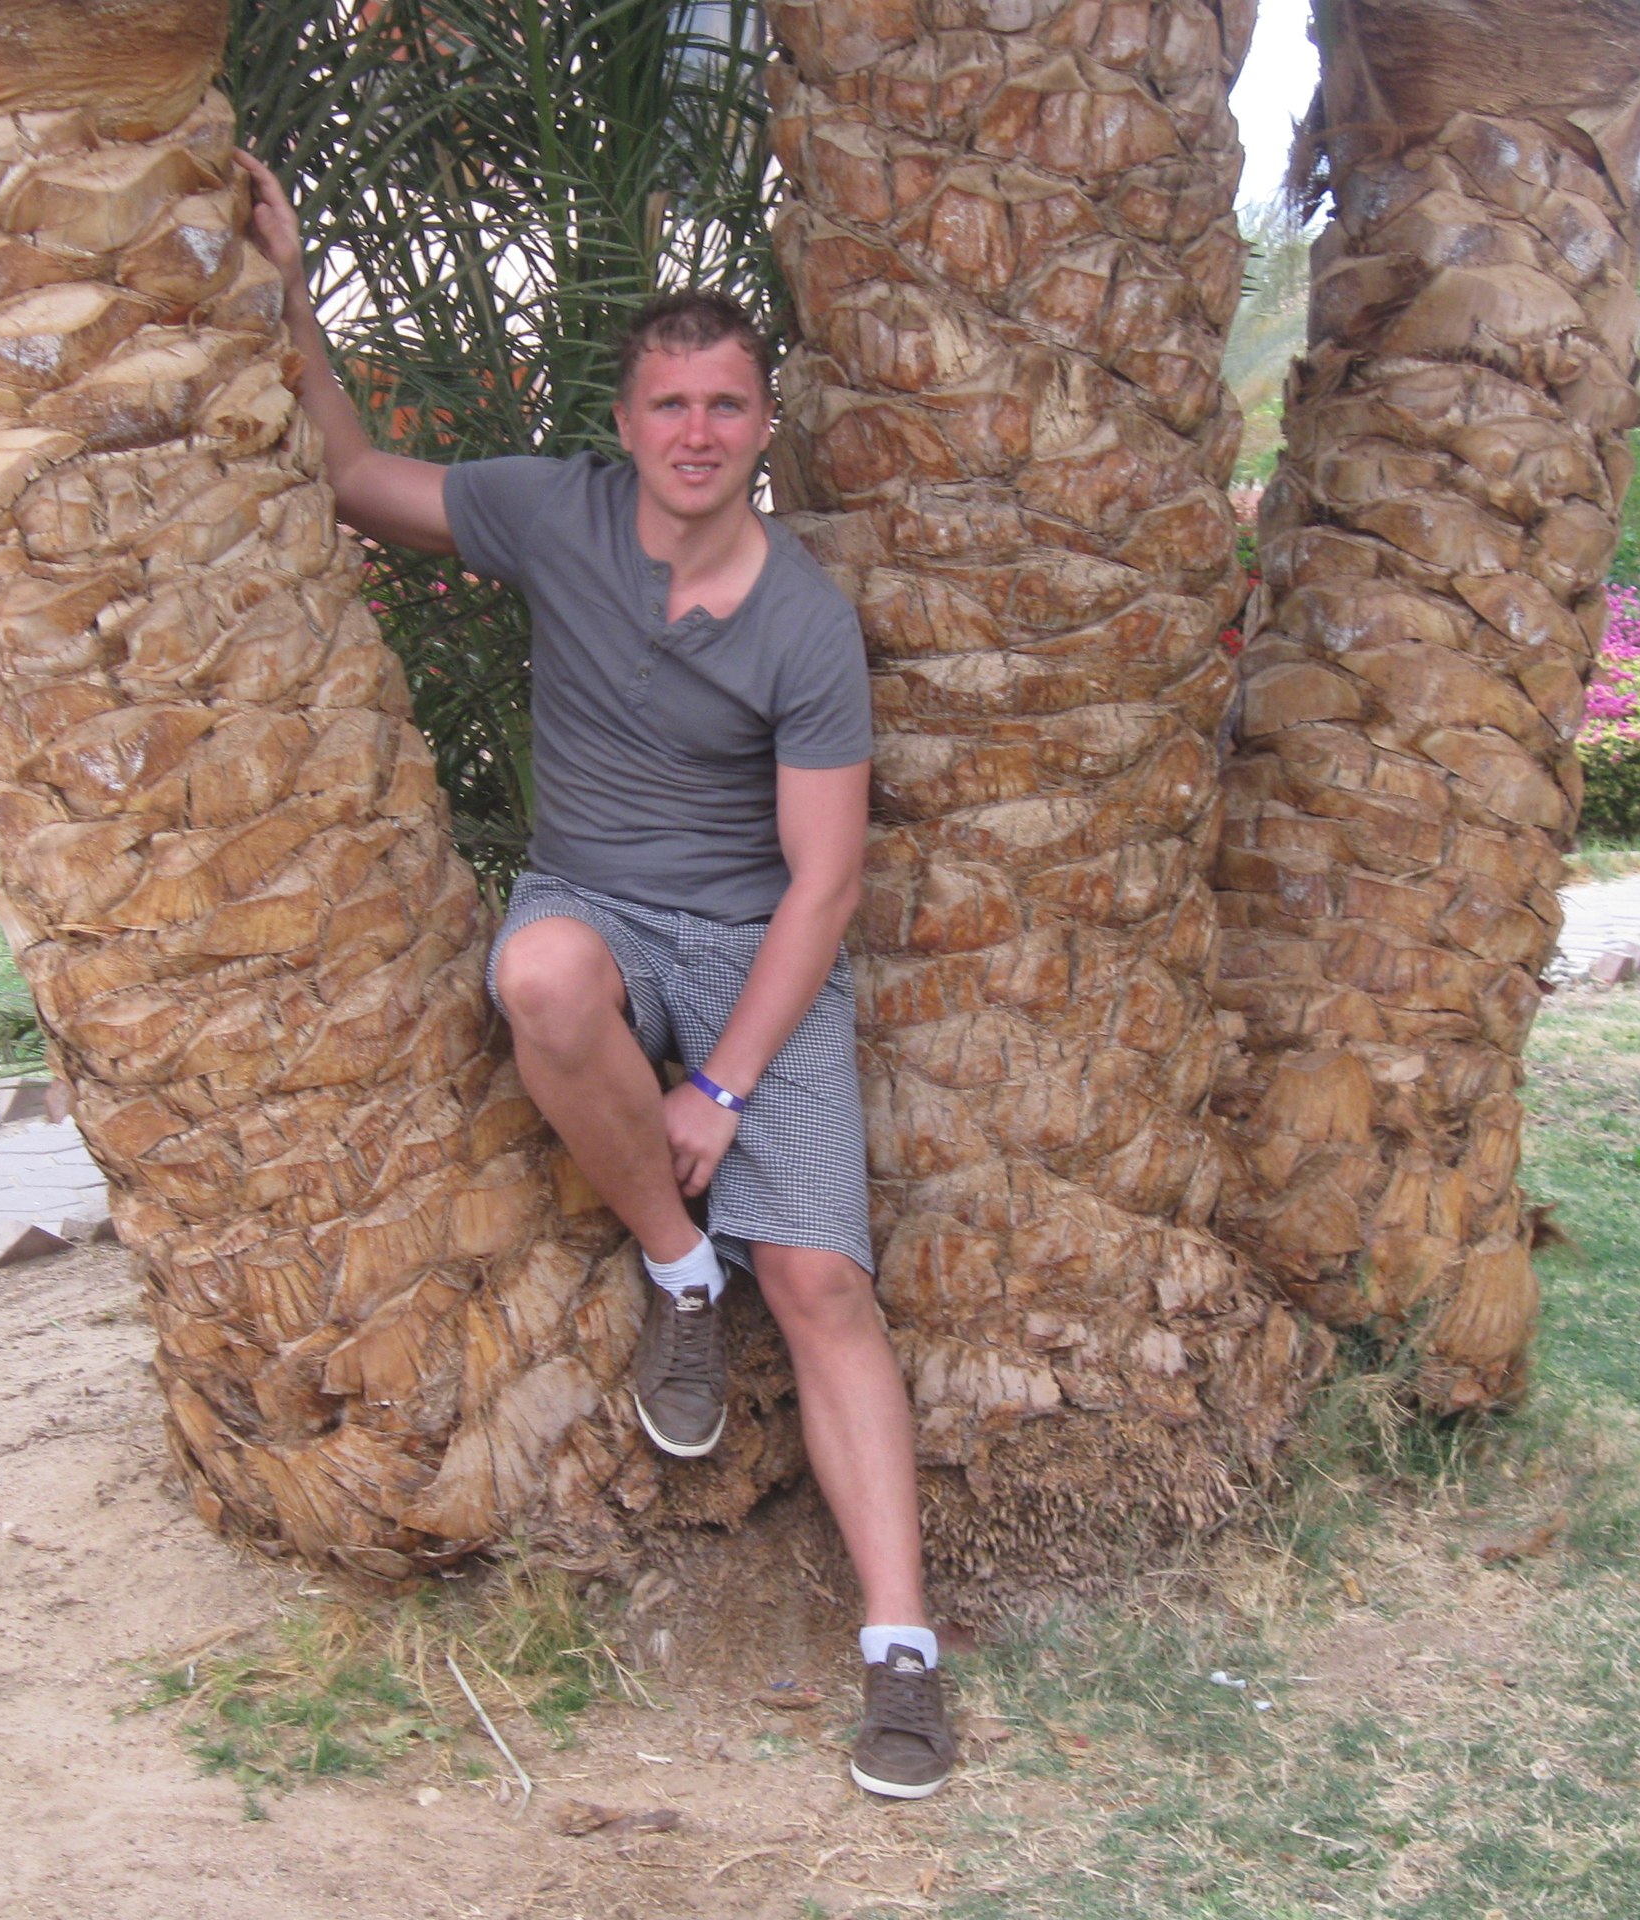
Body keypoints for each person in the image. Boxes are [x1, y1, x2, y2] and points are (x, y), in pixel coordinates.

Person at [239, 151, 954, 1799]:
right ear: (626, 423)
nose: (697, 431)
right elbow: (353, 477)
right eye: (669, 404)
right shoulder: (555, 513)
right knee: (543, 975)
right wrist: (288, 291)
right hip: (601, 909)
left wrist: (724, 1086)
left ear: (763, 425)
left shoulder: (804, 623)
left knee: (825, 1288)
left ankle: (902, 1653)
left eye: (726, 404)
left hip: (761, 948)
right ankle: (679, 1275)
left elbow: (825, 883)